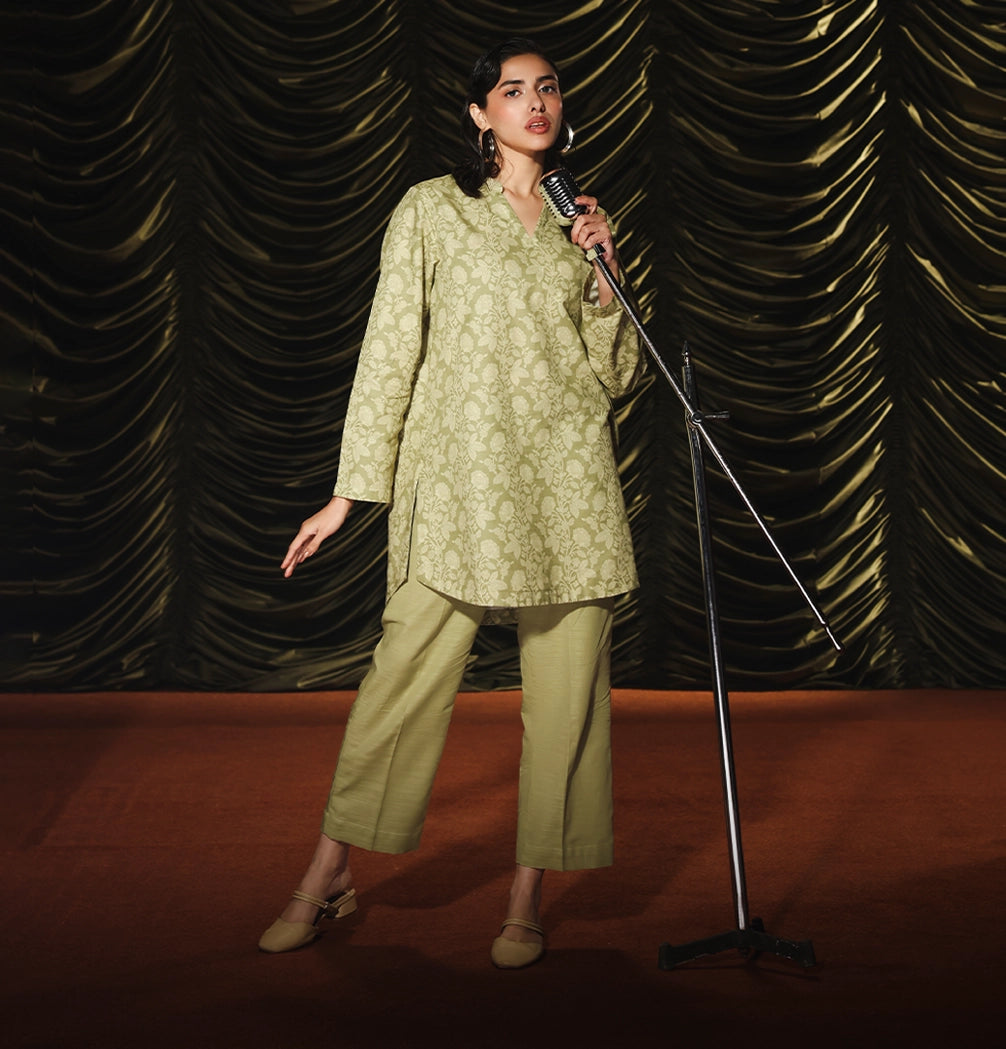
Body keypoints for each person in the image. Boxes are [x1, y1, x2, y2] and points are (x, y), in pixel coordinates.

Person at [259, 36, 643, 969]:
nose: (535, 102)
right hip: (459, 480)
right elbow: (390, 350)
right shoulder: (432, 209)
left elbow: (619, 373)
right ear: (480, 114)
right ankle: (328, 872)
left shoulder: (586, 221)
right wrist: (349, 493)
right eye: (512, 91)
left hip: (568, 486)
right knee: (399, 682)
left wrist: (605, 273)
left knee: (568, 703)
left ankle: (525, 896)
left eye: (548, 88)